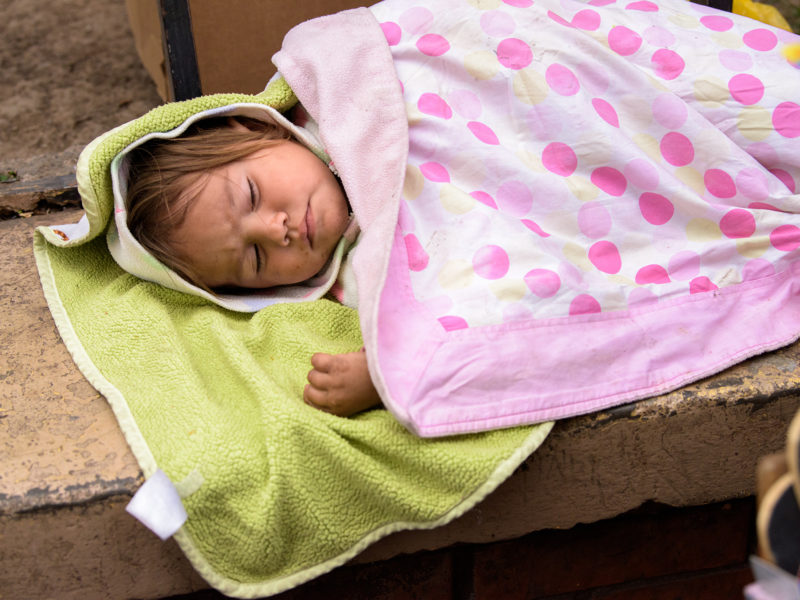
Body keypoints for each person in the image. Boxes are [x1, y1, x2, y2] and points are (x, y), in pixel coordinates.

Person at [125, 115, 381, 417]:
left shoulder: (336, 108)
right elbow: (427, 326)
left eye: (252, 195)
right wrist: (379, 377)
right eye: (256, 258)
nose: (276, 231)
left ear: (257, 129)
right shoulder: (365, 283)